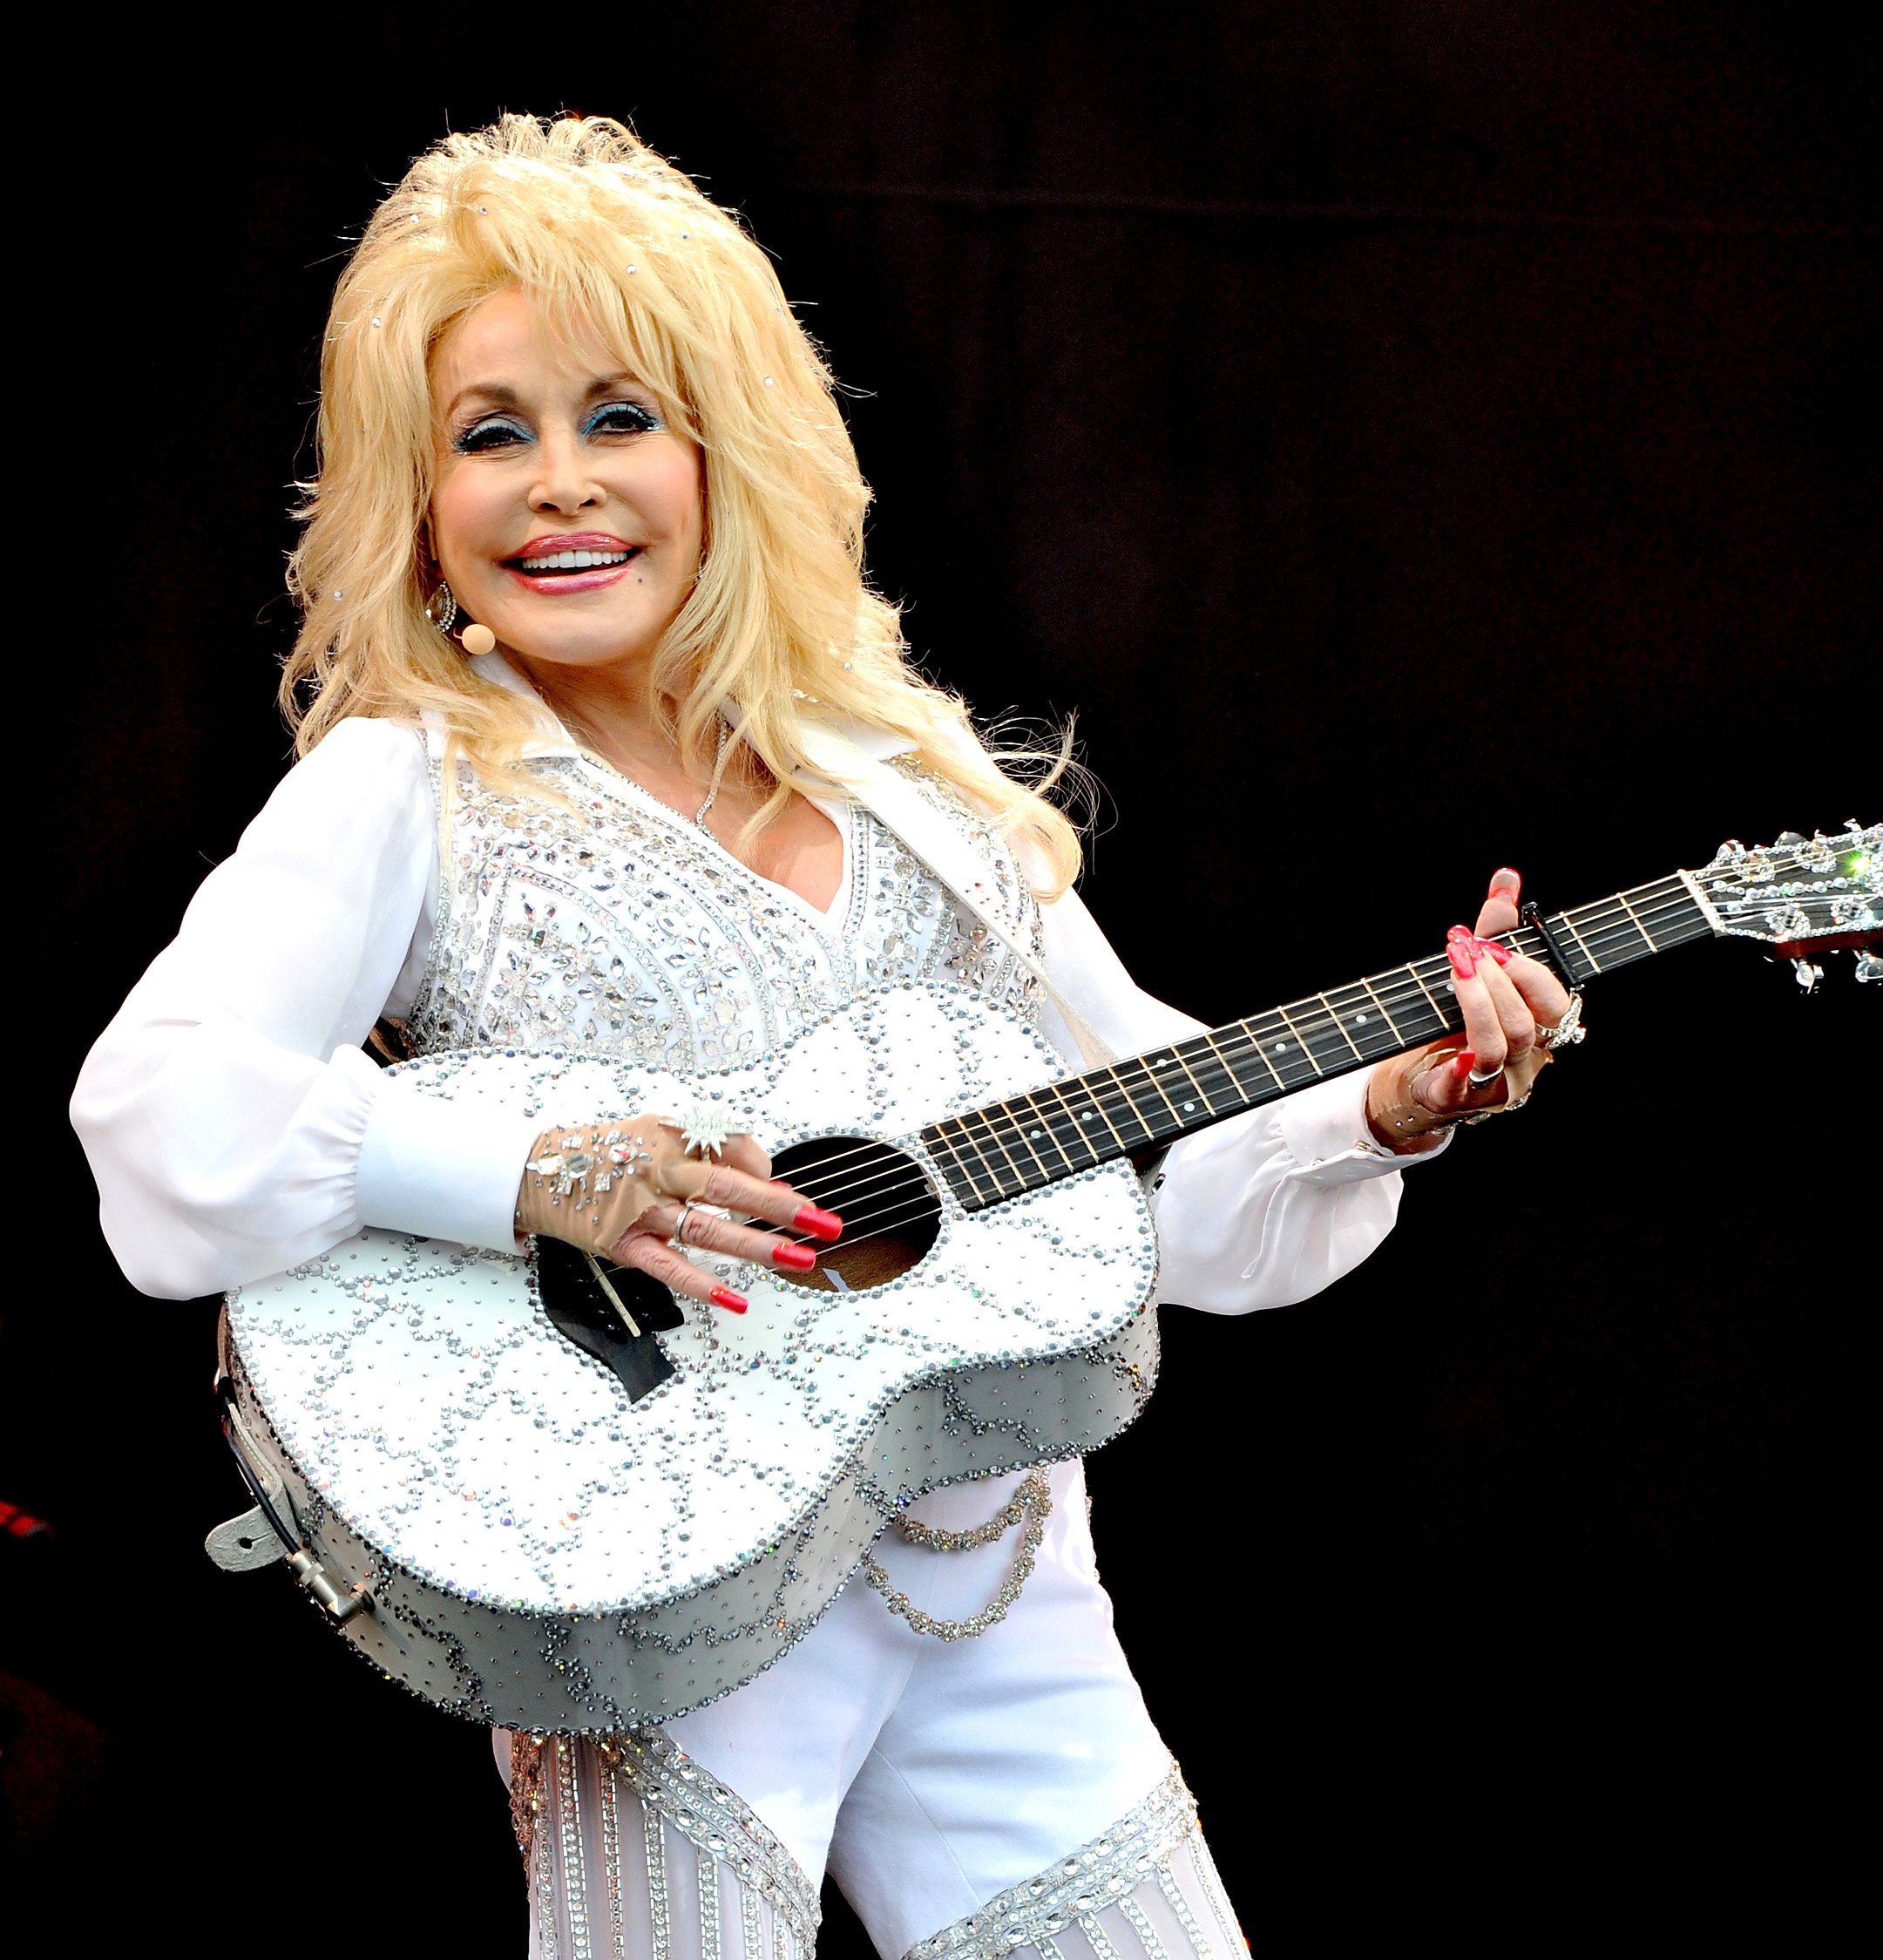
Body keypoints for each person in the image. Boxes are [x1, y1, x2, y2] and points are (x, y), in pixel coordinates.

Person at [71, 116, 1577, 1960]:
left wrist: (1391, 1104)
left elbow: (1158, 1188)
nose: (561, 485)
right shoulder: (409, 786)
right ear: (415, 496)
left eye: (619, 416)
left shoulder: (910, 789)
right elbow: (158, 1115)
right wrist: (531, 1178)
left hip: (999, 1595)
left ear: (727, 449)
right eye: (490, 433)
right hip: (651, 1613)